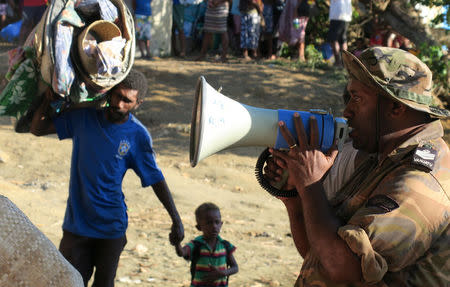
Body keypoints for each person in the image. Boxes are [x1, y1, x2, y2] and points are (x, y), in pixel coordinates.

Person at [264, 47, 450, 286]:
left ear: (396, 108)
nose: (347, 110)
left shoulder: (419, 179)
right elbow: (319, 253)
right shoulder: (383, 157)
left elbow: (344, 269)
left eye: (358, 98)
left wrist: (310, 186)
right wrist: (295, 196)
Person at [30, 69, 185, 287]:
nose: (119, 104)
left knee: (104, 284)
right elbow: (37, 128)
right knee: (67, 281)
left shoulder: (137, 135)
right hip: (77, 227)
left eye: (127, 101)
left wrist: (175, 219)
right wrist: (48, 100)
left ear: (138, 103)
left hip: (111, 228)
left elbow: (155, 178)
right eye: (117, 96)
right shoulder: (83, 118)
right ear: (109, 92)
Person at [175, 202, 238, 286]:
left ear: (221, 224)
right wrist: (177, 243)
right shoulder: (196, 244)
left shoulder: (225, 245)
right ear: (199, 227)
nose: (214, 226)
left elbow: (235, 267)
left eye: (217, 222)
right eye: (209, 223)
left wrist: (223, 273)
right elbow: (182, 252)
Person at [327, 0, 351, 66]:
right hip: (346, 16)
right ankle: (344, 62)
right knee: (343, 39)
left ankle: (338, 62)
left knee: (334, 39)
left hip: (337, 15)